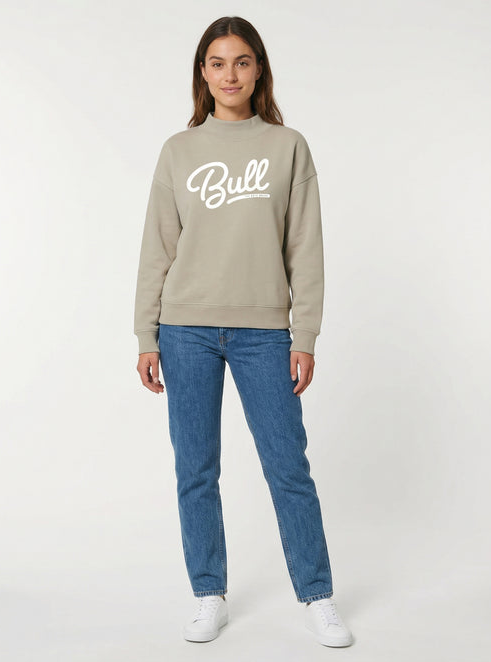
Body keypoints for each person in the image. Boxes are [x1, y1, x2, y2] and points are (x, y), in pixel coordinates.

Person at [134, 15, 354, 648]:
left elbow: (305, 247)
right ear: (203, 74)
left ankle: (317, 595)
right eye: (217, 62)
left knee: (288, 466)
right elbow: (157, 247)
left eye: (242, 61)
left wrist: (304, 334)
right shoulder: (179, 151)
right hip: (186, 329)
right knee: (196, 469)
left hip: (264, 333)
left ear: (259, 70)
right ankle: (209, 593)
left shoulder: (288, 147)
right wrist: (146, 335)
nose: (229, 74)